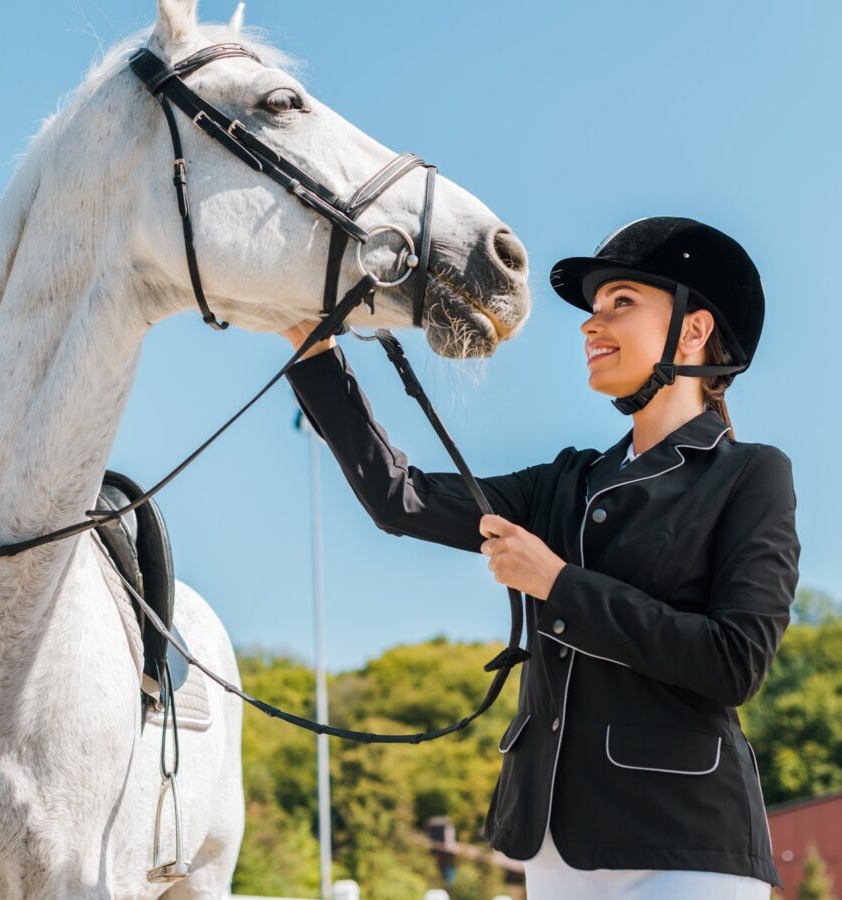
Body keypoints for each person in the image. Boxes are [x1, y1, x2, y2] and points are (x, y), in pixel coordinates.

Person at [279, 217, 800, 898]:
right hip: (549, 844)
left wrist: (557, 583)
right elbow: (398, 499)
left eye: (621, 302)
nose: (591, 324)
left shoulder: (751, 474)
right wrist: (312, 353)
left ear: (694, 331)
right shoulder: (564, 481)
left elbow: (734, 664)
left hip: (687, 840)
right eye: (593, 309)